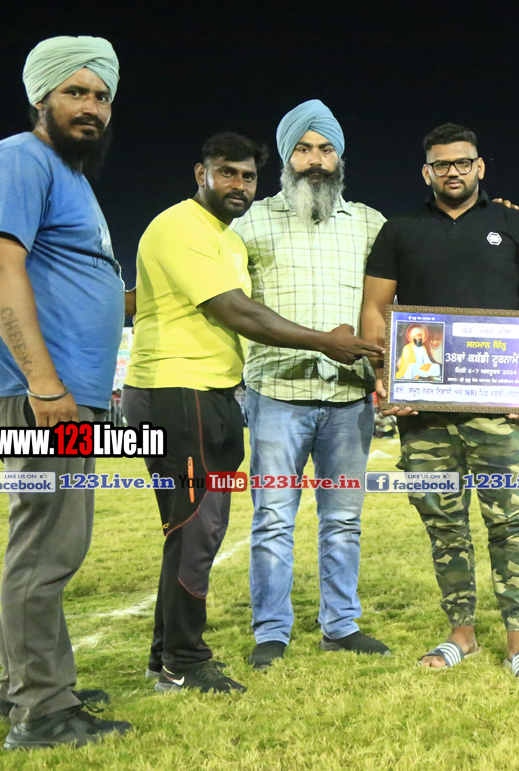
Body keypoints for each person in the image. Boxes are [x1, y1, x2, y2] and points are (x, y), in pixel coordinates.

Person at [123, 132, 381, 694]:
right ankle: (185, 662)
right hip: (178, 390)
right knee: (199, 528)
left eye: (246, 175)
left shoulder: (224, 235)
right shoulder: (183, 226)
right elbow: (236, 310)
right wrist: (325, 341)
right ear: (201, 173)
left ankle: (166, 656)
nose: (238, 184)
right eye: (227, 173)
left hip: (212, 392)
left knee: (190, 529)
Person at [0, 35, 133, 750]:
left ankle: (23, 689)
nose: (91, 106)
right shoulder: (19, 159)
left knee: (46, 542)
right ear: (41, 97)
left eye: (101, 96)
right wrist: (43, 382)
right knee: (48, 548)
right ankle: (43, 712)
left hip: (66, 392)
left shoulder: (69, 176)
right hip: (41, 392)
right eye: (75, 92)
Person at [361, 123, 519, 683]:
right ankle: (462, 632)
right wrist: (385, 376)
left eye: (463, 162)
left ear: (480, 166)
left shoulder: (516, 224)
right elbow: (375, 310)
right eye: (442, 164)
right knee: (443, 526)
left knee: (509, 522)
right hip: (424, 411)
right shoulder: (400, 230)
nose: (453, 171)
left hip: (501, 408)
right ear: (427, 171)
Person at [230, 100, 390, 670]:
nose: (315, 160)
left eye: (325, 149)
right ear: (285, 157)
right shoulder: (250, 223)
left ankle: (340, 625)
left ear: (340, 157)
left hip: (348, 398)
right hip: (276, 394)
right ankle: (271, 630)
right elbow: (228, 302)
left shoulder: (370, 224)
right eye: (303, 149)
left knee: (343, 520)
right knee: (273, 517)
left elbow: (396, 301)